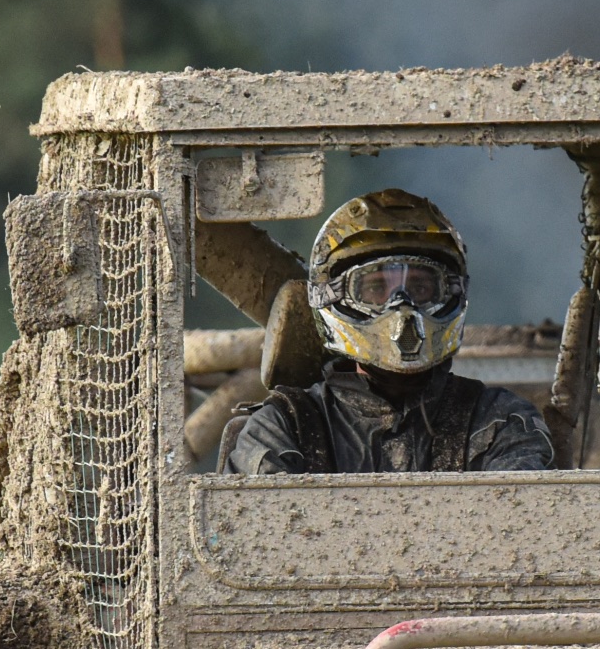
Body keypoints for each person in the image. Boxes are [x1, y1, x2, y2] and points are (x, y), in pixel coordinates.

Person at [222, 189, 557, 476]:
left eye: (421, 288)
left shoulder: (498, 421)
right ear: (335, 297)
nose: (402, 307)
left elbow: (519, 519)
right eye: (376, 289)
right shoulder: (284, 427)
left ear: (451, 294)